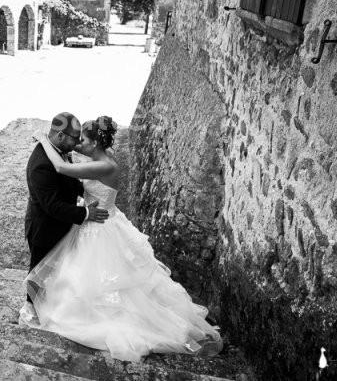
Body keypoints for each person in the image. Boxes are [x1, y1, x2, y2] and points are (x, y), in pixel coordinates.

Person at [24, 115, 223, 362]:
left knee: (106, 281)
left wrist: (44, 139)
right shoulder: (98, 156)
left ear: (94, 144)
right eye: (75, 140)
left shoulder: (105, 165)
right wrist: (59, 144)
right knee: (81, 277)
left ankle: (138, 321)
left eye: (82, 141)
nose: (77, 145)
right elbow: (68, 157)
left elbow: (63, 168)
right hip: (95, 222)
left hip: (100, 228)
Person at [21, 112, 110, 326]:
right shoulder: (41, 164)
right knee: (38, 271)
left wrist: (86, 190)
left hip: (61, 225)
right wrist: (86, 213)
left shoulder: (59, 149)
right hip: (45, 228)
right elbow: (52, 206)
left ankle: (51, 305)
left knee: (56, 271)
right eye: (75, 138)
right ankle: (29, 310)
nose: (78, 142)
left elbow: (68, 180)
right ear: (60, 136)